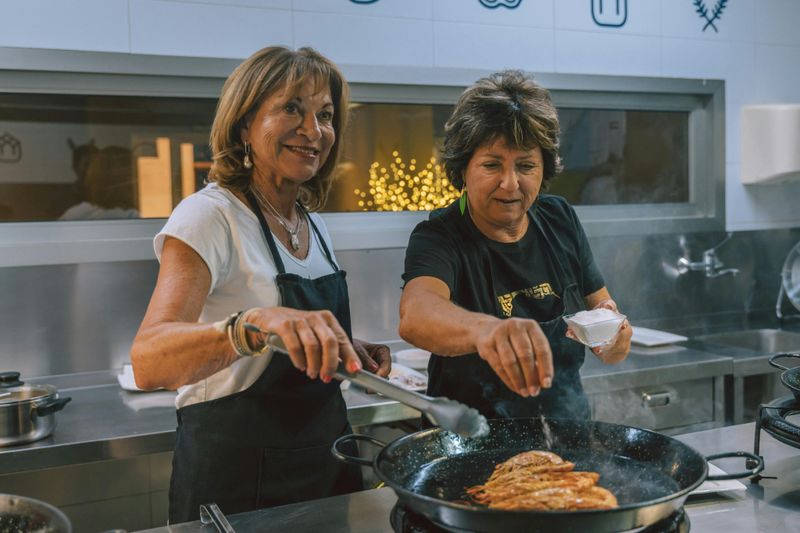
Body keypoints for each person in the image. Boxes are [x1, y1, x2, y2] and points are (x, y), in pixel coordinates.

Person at [130, 46, 391, 523]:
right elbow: (148, 359)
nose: (313, 131)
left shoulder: (311, 224)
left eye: (326, 115)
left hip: (325, 465)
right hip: (239, 482)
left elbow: (284, 339)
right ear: (244, 124)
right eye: (292, 108)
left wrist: (339, 345)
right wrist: (249, 326)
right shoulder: (210, 215)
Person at [398, 70, 631, 422]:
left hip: (566, 439)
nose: (510, 184)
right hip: (471, 446)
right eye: (492, 165)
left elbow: (607, 326)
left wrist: (615, 338)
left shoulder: (559, 219)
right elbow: (416, 314)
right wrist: (487, 330)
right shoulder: (441, 235)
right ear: (464, 169)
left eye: (525, 166)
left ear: (543, 169)